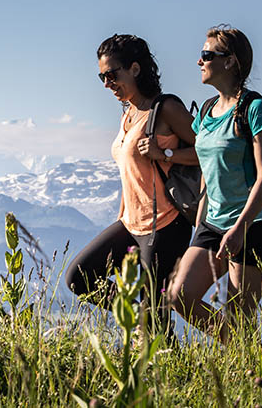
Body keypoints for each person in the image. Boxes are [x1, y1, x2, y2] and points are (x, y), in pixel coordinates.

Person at [65, 34, 197, 325]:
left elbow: (209, 152)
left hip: (165, 225)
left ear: (135, 69)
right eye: (101, 77)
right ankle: (137, 320)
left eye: (112, 74)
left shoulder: (166, 109)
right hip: (130, 223)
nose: (106, 84)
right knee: (79, 277)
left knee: (156, 317)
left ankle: (162, 361)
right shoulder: (129, 114)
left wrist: (166, 153)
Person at [168, 25, 262, 342]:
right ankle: (243, 350)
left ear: (231, 61)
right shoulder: (207, 110)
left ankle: (243, 366)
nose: (199, 62)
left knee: (238, 314)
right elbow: (204, 162)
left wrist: (240, 228)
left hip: (257, 221)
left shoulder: (256, 110)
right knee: (178, 295)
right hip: (213, 222)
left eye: (207, 55)